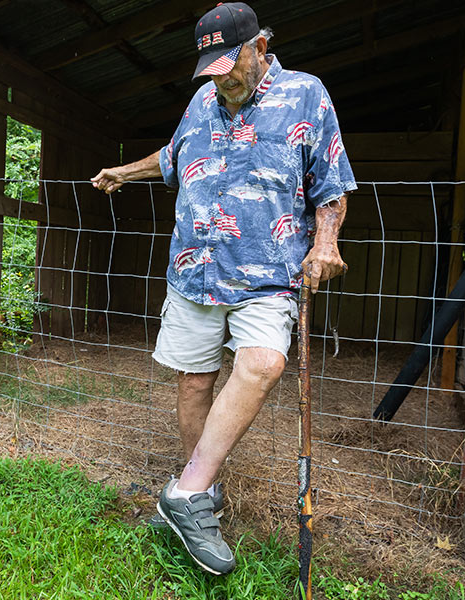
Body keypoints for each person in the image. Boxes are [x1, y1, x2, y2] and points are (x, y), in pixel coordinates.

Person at [91, 2, 355, 576]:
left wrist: (325, 241)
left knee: (261, 364)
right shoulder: (203, 98)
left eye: (230, 65)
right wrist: (122, 174)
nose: (221, 78)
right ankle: (197, 495)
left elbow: (332, 182)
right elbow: (172, 156)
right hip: (194, 271)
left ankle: (184, 493)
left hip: (265, 273)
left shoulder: (307, 95)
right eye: (210, 68)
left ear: (261, 47)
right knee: (193, 384)